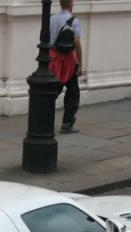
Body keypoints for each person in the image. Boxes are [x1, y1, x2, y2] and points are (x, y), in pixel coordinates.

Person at [50, 0, 83, 134]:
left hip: (54, 59)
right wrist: (80, 63)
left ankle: (43, 122)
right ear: (71, 5)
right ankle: (67, 123)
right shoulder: (74, 21)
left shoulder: (51, 19)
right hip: (69, 61)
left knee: (51, 93)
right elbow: (77, 42)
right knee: (73, 92)